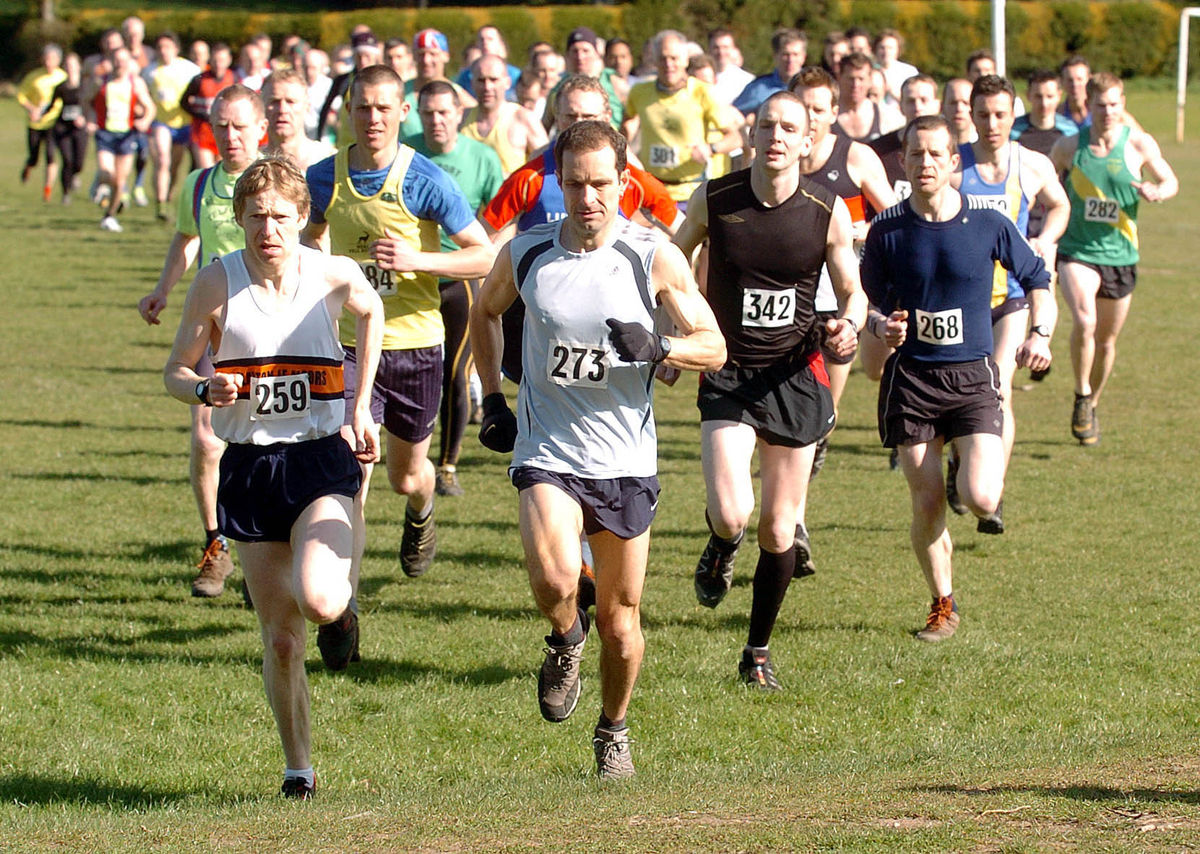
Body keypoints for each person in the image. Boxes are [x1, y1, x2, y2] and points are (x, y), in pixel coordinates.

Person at [470, 119, 726, 778]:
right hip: (547, 448)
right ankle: (562, 638)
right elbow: (484, 310)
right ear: (559, 182)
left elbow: (715, 345)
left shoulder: (653, 256)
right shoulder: (526, 254)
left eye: (602, 184)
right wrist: (491, 398)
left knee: (620, 620)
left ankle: (613, 729)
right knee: (556, 580)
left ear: (625, 183)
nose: (588, 199)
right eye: (576, 184)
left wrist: (661, 346)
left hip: (624, 461)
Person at [163, 154, 384, 800]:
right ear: (239, 219)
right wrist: (205, 389)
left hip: (318, 459)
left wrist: (362, 402)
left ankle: (341, 616)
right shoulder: (216, 282)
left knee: (319, 598)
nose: (268, 230)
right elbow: (173, 371)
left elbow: (372, 314)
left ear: (302, 218)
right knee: (282, 641)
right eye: (256, 217)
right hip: (251, 468)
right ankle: (298, 769)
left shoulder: (330, 275)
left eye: (281, 217)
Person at [302, 65, 495, 667]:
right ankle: (342, 608)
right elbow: (307, 242)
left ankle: (421, 510)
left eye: (385, 108)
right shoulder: (322, 176)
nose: (374, 118)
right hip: (353, 347)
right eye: (363, 107)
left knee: (406, 477)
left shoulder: (425, 179)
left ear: (402, 110)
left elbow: (485, 254)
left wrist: (418, 258)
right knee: (349, 476)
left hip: (416, 344)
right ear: (349, 110)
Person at [673, 91, 866, 689]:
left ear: (808, 139)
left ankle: (756, 652)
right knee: (733, 512)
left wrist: (848, 329)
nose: (777, 136)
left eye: (790, 127)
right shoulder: (717, 196)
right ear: (751, 135)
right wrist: (675, 333)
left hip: (794, 374)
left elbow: (853, 291)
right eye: (767, 126)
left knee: (781, 530)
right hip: (728, 371)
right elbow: (671, 262)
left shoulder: (826, 209)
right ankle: (720, 544)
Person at [861, 114, 1052, 642]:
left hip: (973, 377)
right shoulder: (888, 230)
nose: (925, 164)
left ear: (953, 162)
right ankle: (942, 604)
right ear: (904, 161)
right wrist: (883, 326)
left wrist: (1040, 333)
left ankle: (962, 465)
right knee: (926, 504)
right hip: (914, 382)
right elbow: (870, 306)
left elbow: (1038, 277)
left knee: (983, 498)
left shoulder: (989, 223)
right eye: (916, 155)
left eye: (936, 155)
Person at [139, 84, 268, 598]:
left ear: (261, 128)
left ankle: (265, 541)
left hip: (276, 334)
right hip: (217, 329)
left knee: (267, 439)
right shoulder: (197, 184)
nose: (230, 136)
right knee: (206, 440)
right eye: (221, 126)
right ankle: (216, 546)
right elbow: (186, 237)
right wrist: (163, 289)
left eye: (240, 126)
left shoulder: (281, 183)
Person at [481, 75, 682, 383]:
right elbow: (484, 240)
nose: (578, 125)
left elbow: (681, 229)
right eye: (570, 116)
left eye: (588, 117)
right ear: (555, 118)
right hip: (544, 315)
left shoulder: (631, 179)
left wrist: (666, 325)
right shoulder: (530, 177)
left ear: (605, 118)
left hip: (610, 315)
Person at [948, 74, 1068, 531]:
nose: (992, 123)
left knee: (999, 389)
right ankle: (963, 462)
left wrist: (1044, 239)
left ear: (1013, 114)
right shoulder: (954, 166)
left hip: (1013, 294)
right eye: (983, 114)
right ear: (971, 115)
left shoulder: (1032, 164)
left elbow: (1060, 206)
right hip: (962, 301)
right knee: (965, 392)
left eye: (1000, 114)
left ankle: (992, 490)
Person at [1051, 72, 1177, 446]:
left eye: (1114, 104)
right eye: (1101, 105)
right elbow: (1043, 184)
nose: (1108, 111)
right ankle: (1079, 390)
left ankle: (1091, 402)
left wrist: (1158, 190)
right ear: (1088, 105)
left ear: (1123, 105)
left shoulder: (1138, 144)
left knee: (1106, 341)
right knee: (1085, 322)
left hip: (1121, 255)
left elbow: (1171, 181)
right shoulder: (1069, 147)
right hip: (1077, 252)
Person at [405, 80, 504, 496]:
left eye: (444, 112)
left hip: (459, 280)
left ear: (459, 114)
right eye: (428, 113)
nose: (436, 121)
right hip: (408, 277)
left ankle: (446, 466)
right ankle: (397, 457)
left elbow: (499, 221)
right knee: (406, 370)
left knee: (455, 374)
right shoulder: (404, 150)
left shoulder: (482, 158)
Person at [791, 67, 895, 432]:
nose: (811, 117)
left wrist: (864, 229)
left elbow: (894, 216)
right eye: (804, 108)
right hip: (793, 283)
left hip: (845, 282)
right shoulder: (776, 159)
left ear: (834, 112)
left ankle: (821, 433)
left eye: (819, 109)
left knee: (831, 389)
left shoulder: (856, 157)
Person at [622, 30, 741, 208]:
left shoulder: (703, 92)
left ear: (685, 60)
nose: (668, 64)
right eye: (662, 58)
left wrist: (710, 148)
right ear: (654, 61)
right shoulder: (640, 92)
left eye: (674, 58)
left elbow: (735, 138)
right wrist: (622, 147)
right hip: (652, 191)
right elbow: (628, 123)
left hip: (691, 193)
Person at [89, 45, 155, 232]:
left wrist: (144, 120)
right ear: (111, 61)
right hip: (105, 134)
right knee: (106, 171)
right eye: (116, 60)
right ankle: (100, 183)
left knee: (119, 181)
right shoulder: (100, 82)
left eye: (124, 61)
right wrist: (89, 119)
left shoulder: (136, 83)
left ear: (130, 63)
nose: (120, 64)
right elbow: (86, 100)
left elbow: (150, 107)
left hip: (127, 135)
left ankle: (109, 216)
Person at [460, 53, 548, 177]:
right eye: (481, 80)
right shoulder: (461, 118)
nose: (487, 87)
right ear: (472, 83)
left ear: (507, 82)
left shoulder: (524, 119)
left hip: (509, 194)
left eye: (493, 80)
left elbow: (548, 166)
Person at [145, 31, 201, 220]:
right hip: (161, 123)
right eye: (160, 47)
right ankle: (161, 203)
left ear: (176, 49)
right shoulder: (150, 71)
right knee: (162, 160)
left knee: (174, 167)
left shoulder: (190, 69)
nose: (163, 51)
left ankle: (168, 195)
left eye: (167, 47)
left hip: (184, 124)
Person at [870, 73, 940, 201]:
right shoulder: (877, 150)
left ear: (937, 105)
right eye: (911, 101)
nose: (918, 107)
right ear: (901, 106)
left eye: (924, 100)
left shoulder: (951, 148)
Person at [542, 27, 627, 130]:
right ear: (567, 55)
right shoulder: (558, 88)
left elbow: (632, 120)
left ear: (596, 53)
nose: (580, 56)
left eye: (585, 51)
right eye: (575, 51)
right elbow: (544, 126)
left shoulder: (614, 82)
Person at [17, 43, 67, 202]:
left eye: (52, 58)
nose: (48, 62)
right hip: (35, 123)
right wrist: (31, 109)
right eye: (46, 58)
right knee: (34, 157)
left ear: (58, 60)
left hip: (53, 122)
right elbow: (21, 96)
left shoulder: (63, 77)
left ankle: (47, 189)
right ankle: (28, 166)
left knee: (51, 156)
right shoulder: (34, 77)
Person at [263, 69, 336, 170]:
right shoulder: (251, 163)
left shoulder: (330, 160)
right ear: (262, 106)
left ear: (307, 106)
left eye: (290, 102)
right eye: (274, 101)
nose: (282, 110)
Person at [731, 28, 807, 121]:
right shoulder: (759, 88)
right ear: (775, 56)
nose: (790, 60)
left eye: (795, 54)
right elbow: (732, 114)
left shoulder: (812, 87)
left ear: (803, 57)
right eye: (785, 54)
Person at [183, 41, 236, 170]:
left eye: (222, 60)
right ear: (210, 60)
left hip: (223, 133)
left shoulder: (233, 78)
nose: (218, 64)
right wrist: (202, 115)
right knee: (206, 171)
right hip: (202, 133)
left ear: (228, 60)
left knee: (222, 171)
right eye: (215, 60)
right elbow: (183, 102)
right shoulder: (199, 80)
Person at [48, 52, 88, 204]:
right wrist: (40, 112)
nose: (70, 68)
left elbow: (91, 106)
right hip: (63, 128)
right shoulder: (61, 87)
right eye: (68, 66)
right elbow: (52, 105)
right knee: (67, 160)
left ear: (79, 66)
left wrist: (85, 118)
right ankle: (65, 193)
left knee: (78, 163)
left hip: (80, 129)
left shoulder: (86, 86)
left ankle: (75, 175)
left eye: (73, 65)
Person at [835, 52, 902, 142]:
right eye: (851, 79)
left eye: (861, 79)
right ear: (839, 78)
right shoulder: (827, 116)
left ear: (870, 80)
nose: (856, 85)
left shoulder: (887, 116)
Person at [707, 29, 754, 106]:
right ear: (709, 49)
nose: (721, 52)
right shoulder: (698, 78)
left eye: (725, 47)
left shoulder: (747, 81)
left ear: (733, 49)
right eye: (716, 47)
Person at [872, 29, 918, 105]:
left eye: (890, 48)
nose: (886, 52)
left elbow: (914, 100)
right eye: (882, 47)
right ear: (876, 49)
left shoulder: (909, 71)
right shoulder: (868, 71)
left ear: (898, 50)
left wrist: (891, 90)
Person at [1059, 56, 1091, 129]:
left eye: (1079, 79)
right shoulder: (1056, 116)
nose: (1074, 84)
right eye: (1070, 80)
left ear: (1089, 80)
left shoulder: (1103, 111)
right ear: (1062, 82)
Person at [942, 78, 975, 145]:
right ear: (942, 107)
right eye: (953, 103)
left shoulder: (986, 147)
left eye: (965, 103)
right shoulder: (933, 147)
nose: (959, 109)